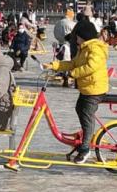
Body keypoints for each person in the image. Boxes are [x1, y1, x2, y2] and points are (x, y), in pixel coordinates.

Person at [45, 20, 109, 163]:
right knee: (79, 108)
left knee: (86, 114)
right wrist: (54, 65)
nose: (76, 39)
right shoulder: (84, 48)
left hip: (95, 89)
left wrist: (72, 74)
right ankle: (85, 135)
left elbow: (91, 67)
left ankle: (85, 149)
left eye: (77, 36)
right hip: (87, 88)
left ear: (84, 36)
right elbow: (72, 63)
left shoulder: (95, 49)